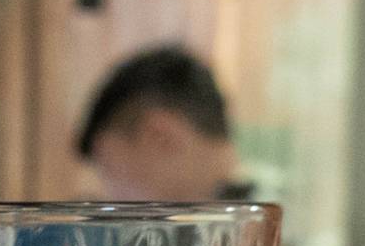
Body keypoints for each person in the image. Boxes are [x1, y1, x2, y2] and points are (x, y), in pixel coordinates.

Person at [75, 45, 252, 202]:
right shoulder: (258, 230)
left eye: (109, 170)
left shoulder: (253, 234)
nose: (110, 195)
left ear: (160, 137)